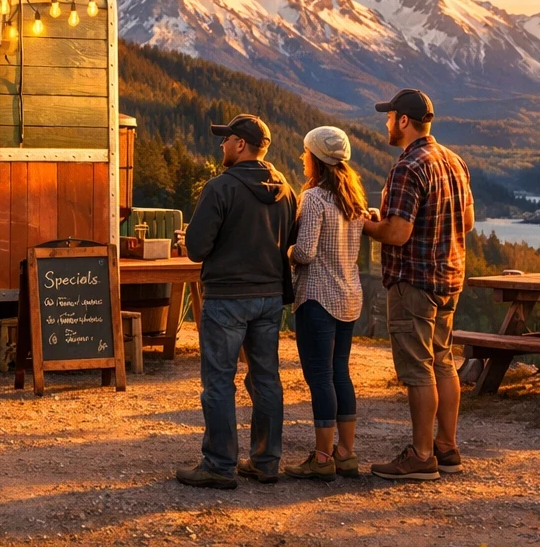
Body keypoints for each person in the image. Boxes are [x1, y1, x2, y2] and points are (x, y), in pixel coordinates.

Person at [176, 114, 299, 490]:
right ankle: (265, 461)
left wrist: (186, 240)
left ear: (240, 145)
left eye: (226, 139)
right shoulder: (286, 190)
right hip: (268, 298)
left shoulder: (220, 188)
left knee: (219, 381)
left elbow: (197, 248)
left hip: (227, 298)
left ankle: (218, 464)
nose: (221, 145)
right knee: (265, 379)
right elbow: (290, 240)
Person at [361, 88, 474, 481]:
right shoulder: (454, 161)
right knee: (443, 360)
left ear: (403, 121)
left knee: (418, 369)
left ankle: (421, 455)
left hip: (414, 281)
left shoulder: (408, 166)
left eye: (389, 117)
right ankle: (446, 447)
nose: (386, 123)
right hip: (449, 278)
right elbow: (468, 221)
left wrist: (365, 224)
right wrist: (387, 219)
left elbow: (396, 234)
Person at [283, 126, 368, 483]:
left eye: (306, 153)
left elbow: (304, 252)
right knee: (340, 374)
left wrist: (284, 252)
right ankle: (345, 455)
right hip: (350, 295)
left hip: (318, 297)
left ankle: (321, 458)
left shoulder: (315, 198)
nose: (303, 158)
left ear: (315, 158)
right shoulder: (355, 200)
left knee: (319, 378)